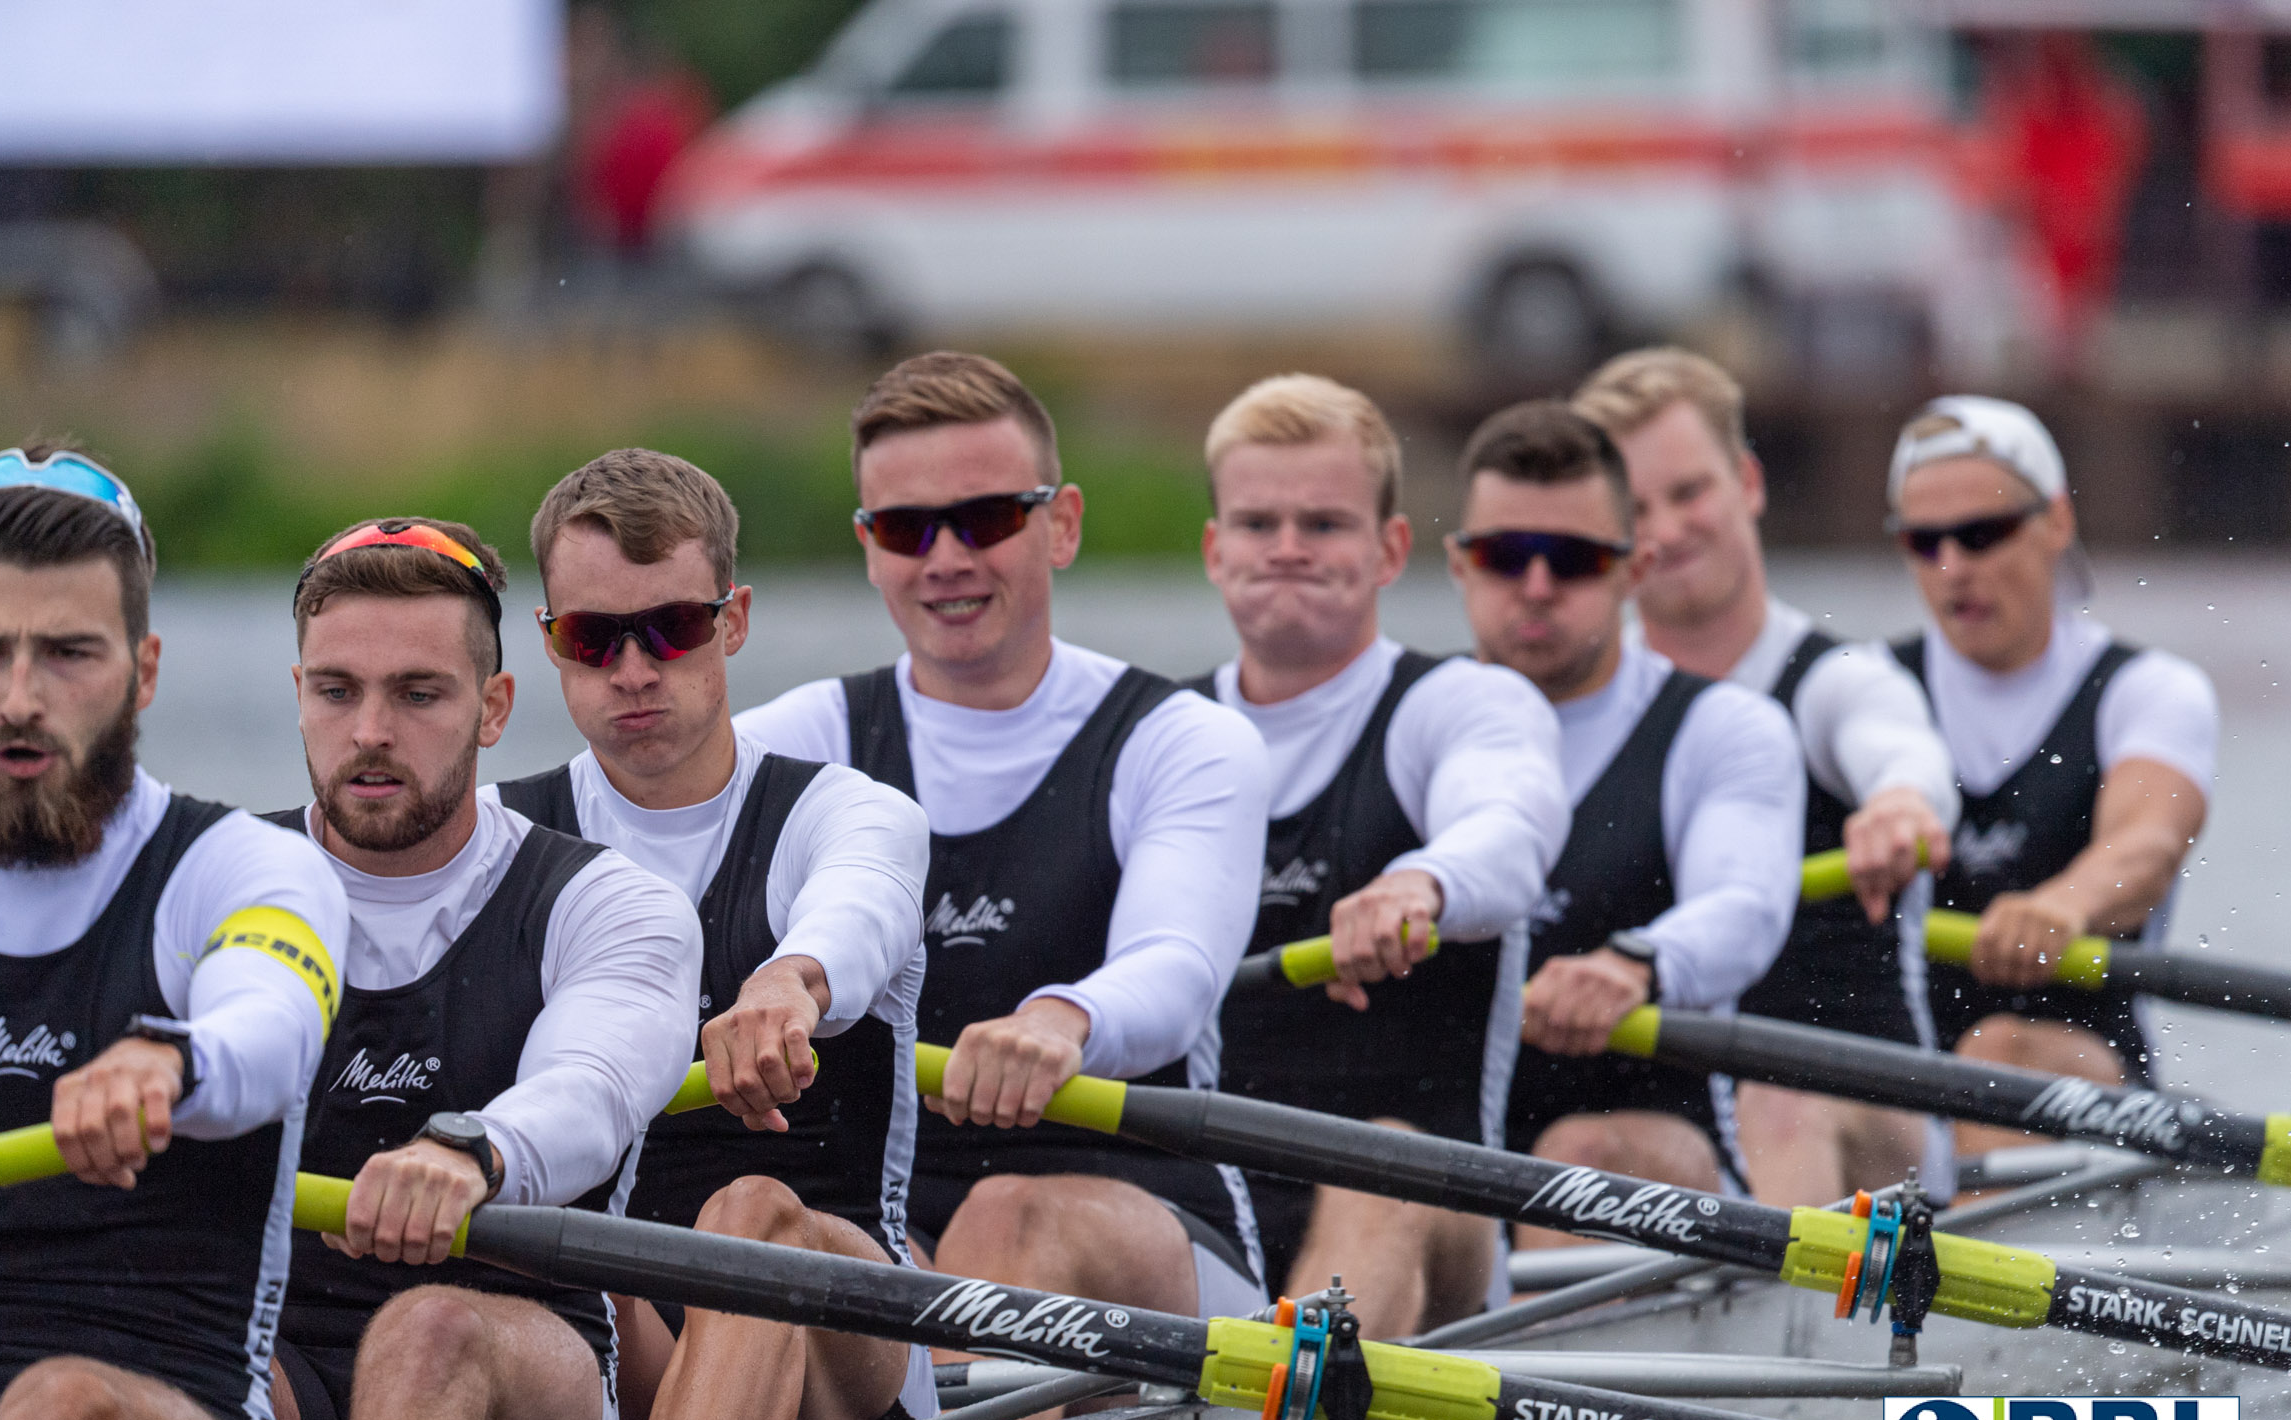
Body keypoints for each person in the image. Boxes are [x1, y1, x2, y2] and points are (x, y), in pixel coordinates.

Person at [737, 351, 1274, 1341]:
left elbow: (1179, 965)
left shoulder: (1184, 741)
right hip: (893, 1232)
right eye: (906, 528)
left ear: (1060, 523)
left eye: (984, 518)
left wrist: (1064, 1019)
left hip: (1148, 1210)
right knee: (753, 1228)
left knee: (1007, 1214)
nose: (945, 557)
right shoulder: (785, 742)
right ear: (868, 546)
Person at [0, 445, 347, 1420]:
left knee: (58, 1409)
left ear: (143, 671)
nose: (18, 698)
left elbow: (271, 1021)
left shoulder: (244, 868)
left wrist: (170, 1057)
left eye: (66, 654)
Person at [492, 449, 937, 1420]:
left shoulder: (844, 812)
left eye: (674, 627)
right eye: (594, 637)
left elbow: (859, 905)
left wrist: (790, 980)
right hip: (621, 1327)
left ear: (731, 621)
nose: (636, 668)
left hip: (851, 1357)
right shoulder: (491, 840)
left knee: (750, 1213)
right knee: (533, 1251)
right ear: (549, 643)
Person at [266, 517, 702, 1420]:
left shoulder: (608, 903)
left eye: (419, 693)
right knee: (144, 1376)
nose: (371, 730)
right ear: (299, 696)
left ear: (494, 706)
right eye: (337, 691)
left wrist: (473, 1150)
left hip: (522, 1355)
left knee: (429, 1332)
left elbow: (590, 1082)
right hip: (273, 1353)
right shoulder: (208, 885)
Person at [1192, 375, 1568, 1335]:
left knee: (1377, 1163)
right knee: (1012, 1207)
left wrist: (1421, 881)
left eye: (1322, 523)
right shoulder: (1154, 736)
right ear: (1213, 550)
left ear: (1389, 549)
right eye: (1257, 522)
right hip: (1202, 1208)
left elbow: (1510, 821)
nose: (1285, 549)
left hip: (1428, 1206)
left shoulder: (1460, 705)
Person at [1572, 348, 1962, 1207]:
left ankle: (1796, 1330)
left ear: (1746, 483)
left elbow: (1905, 755)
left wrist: (1899, 806)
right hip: (1676, 1141)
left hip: (1867, 1121)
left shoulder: (1833, 685)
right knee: (1578, 1143)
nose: (1667, 531)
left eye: (1688, 493)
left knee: (1778, 1101)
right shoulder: (1578, 717)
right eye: (1635, 510)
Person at [1444, 401, 1803, 1244]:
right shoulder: (1404, 723)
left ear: (1632, 570)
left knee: (1579, 1152)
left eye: (1570, 560)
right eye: (1505, 557)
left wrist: (1637, 961)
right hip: (1446, 1159)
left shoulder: (1720, 728)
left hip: (1647, 1141)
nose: (1535, 588)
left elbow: (1744, 905)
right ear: (1457, 564)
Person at [1885, 397, 2215, 1143]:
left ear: (2056, 523)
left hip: (2078, 1066)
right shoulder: (1863, 692)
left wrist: (2061, 906)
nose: (1951, 568)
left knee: (1996, 1049)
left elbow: (2146, 848)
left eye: (1980, 534)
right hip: (1894, 1083)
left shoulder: (2147, 690)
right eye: (1921, 541)